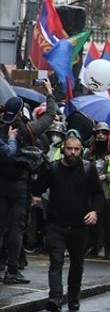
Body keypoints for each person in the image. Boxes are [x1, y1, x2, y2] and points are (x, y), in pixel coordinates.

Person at [30, 135, 104, 312]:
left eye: (76, 149)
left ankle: (73, 298)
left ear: (81, 150)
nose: (72, 152)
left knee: (77, 263)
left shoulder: (88, 169)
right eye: (69, 148)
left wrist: (94, 211)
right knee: (56, 260)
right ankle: (55, 298)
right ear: (63, 149)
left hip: (80, 225)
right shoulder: (53, 168)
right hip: (57, 224)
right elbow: (38, 187)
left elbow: (98, 194)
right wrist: (36, 195)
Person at [0, 87, 56, 284]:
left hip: (2, 184)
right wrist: (49, 93)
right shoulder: (28, 130)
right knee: (17, 228)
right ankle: (12, 270)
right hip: (21, 185)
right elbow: (50, 115)